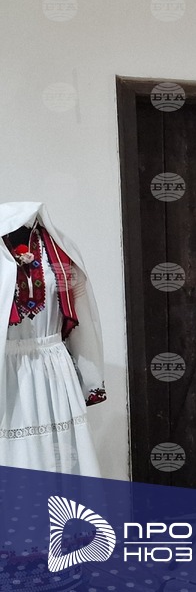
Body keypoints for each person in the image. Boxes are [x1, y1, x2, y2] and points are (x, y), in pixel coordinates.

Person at [1, 202, 105, 476]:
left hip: (53, 365)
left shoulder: (60, 251)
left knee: (61, 453)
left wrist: (90, 376)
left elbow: (82, 316)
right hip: (6, 368)